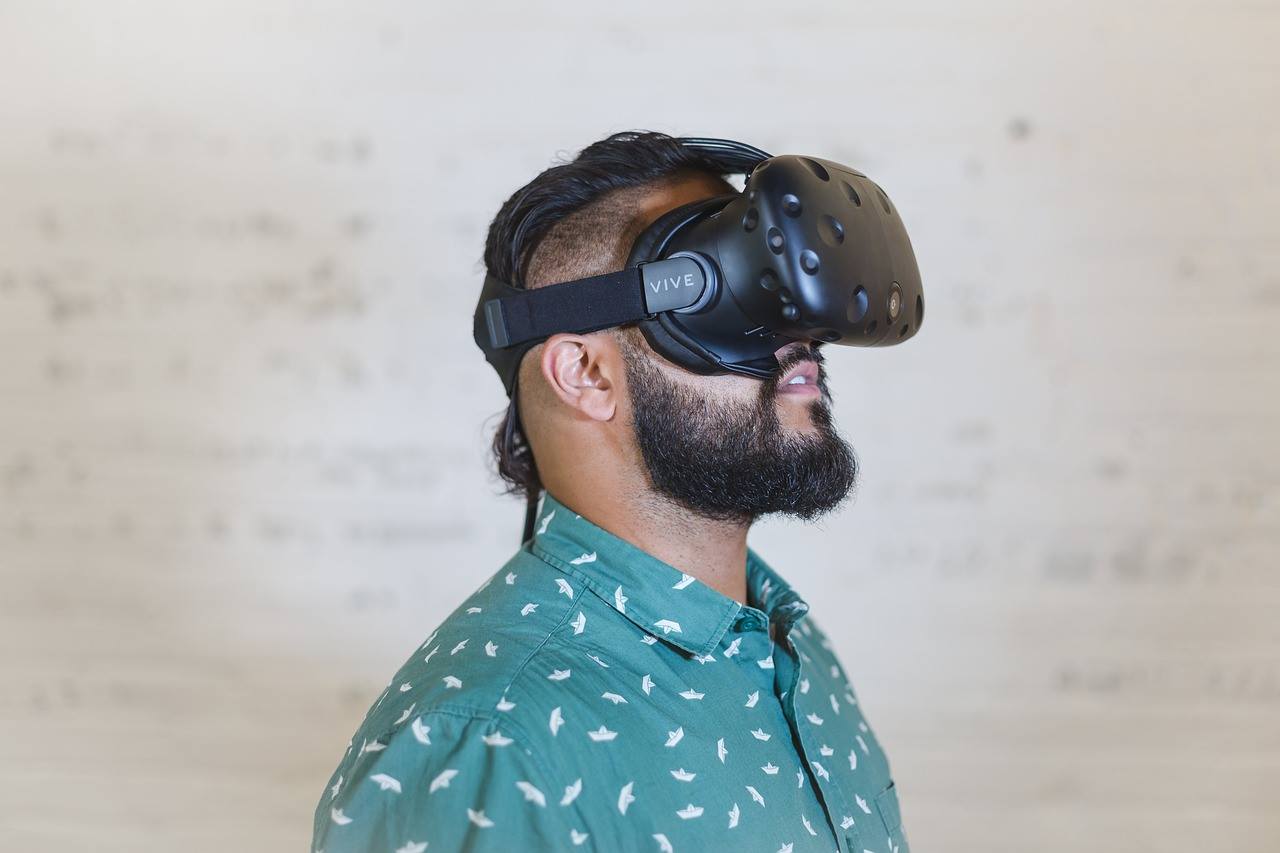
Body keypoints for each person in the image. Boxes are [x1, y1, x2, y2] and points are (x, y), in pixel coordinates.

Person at [311, 130, 909, 853]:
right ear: (586, 375)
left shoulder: (786, 643)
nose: (800, 337)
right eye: (735, 289)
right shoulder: (490, 746)